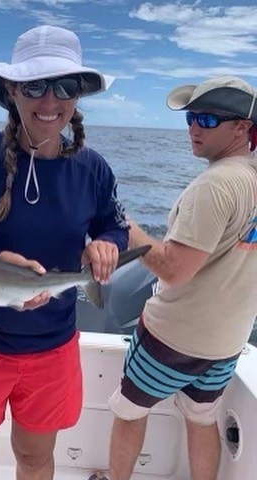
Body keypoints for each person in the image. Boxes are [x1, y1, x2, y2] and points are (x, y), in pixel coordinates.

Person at [0, 25, 129, 480]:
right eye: (35, 86)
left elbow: (114, 226)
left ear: (78, 95)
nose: (49, 101)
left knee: (37, 460)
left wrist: (106, 245)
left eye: (64, 86)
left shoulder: (92, 169)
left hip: (51, 348)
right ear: (11, 91)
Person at [92, 76, 257, 480]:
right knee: (202, 418)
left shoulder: (216, 185)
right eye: (190, 119)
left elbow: (174, 270)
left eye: (207, 118)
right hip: (228, 341)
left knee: (129, 411)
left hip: (173, 339)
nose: (194, 128)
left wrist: (118, 223)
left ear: (241, 127)